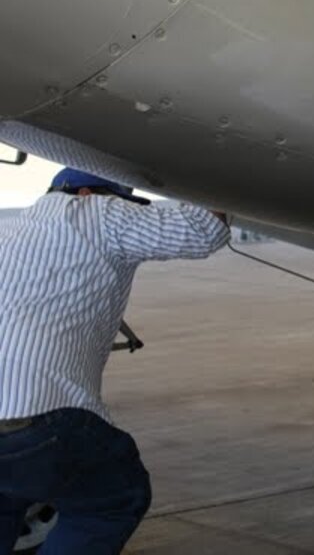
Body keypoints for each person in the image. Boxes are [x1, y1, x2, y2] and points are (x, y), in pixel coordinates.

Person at [0, 168, 229, 554]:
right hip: (38, 414)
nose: (125, 209)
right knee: (111, 501)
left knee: (6, 498)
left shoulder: (10, 229)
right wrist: (224, 178)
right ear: (90, 191)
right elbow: (203, 229)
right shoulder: (97, 212)